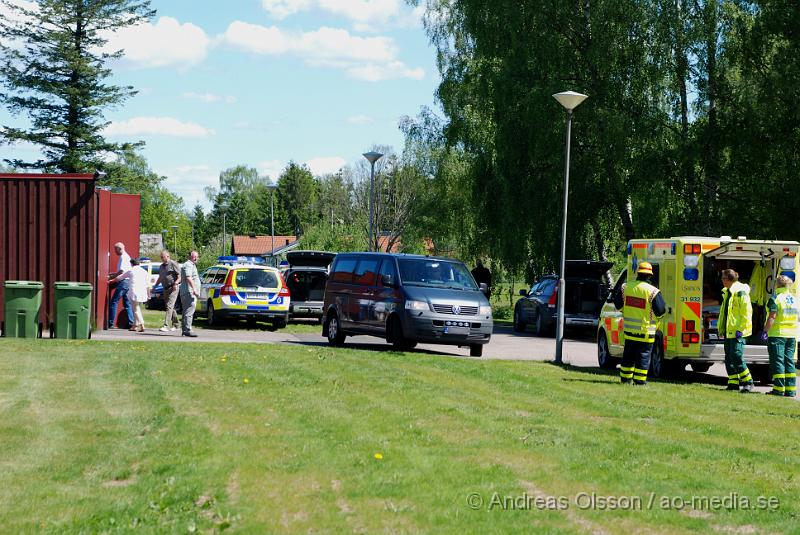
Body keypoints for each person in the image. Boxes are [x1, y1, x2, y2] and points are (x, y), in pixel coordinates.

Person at [614, 262, 666, 385]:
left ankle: (625, 379)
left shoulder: (625, 287)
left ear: (638, 273)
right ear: (650, 276)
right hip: (646, 332)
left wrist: (626, 311)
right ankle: (639, 381)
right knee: (643, 356)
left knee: (628, 356)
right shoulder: (653, 291)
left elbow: (618, 305)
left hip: (629, 332)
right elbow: (661, 311)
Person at [718, 269, 755, 393]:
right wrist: (722, 328)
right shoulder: (727, 292)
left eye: (723, 278)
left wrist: (741, 329)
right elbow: (725, 313)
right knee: (729, 358)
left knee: (736, 356)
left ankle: (748, 382)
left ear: (728, 279)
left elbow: (746, 312)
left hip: (738, 331)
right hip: (729, 331)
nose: (722, 281)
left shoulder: (740, 292)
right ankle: (733, 383)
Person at [761, 275, 797, 397]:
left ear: (777, 285)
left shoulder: (775, 298)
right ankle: (790, 390)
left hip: (778, 334)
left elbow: (772, 316)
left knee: (778, 361)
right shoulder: (794, 299)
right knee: (789, 361)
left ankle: (778, 389)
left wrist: (765, 331)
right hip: (792, 335)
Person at [108, 242, 134, 329]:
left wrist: (112, 277)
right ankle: (131, 322)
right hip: (127, 282)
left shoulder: (123, 257)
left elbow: (121, 271)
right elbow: (122, 271)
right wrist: (113, 275)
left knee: (113, 301)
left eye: (115, 250)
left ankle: (110, 322)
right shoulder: (126, 256)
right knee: (127, 303)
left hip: (123, 282)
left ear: (119, 249)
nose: (115, 252)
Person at [155, 250, 182, 332]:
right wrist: (155, 287)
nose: (162, 258)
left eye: (163, 257)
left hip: (173, 288)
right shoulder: (161, 266)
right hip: (165, 288)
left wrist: (176, 283)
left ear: (168, 256)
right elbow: (160, 277)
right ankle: (176, 324)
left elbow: (180, 276)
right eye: (161, 257)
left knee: (169, 306)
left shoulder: (173, 263)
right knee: (170, 307)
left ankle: (166, 325)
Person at [180, 250, 202, 337]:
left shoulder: (191, 265)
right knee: (189, 310)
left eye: (197, 256)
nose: (196, 258)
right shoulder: (188, 265)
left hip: (187, 291)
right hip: (189, 292)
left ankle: (185, 330)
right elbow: (188, 277)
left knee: (186, 311)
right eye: (194, 256)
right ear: (189, 257)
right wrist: (194, 289)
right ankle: (188, 329)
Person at [127, 258, 150, 333]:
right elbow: (147, 285)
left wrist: (111, 279)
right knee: (137, 308)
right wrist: (148, 294)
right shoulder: (144, 271)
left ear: (132, 264)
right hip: (142, 293)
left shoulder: (131, 271)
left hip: (134, 292)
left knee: (136, 310)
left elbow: (121, 277)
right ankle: (135, 325)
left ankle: (142, 325)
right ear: (139, 263)